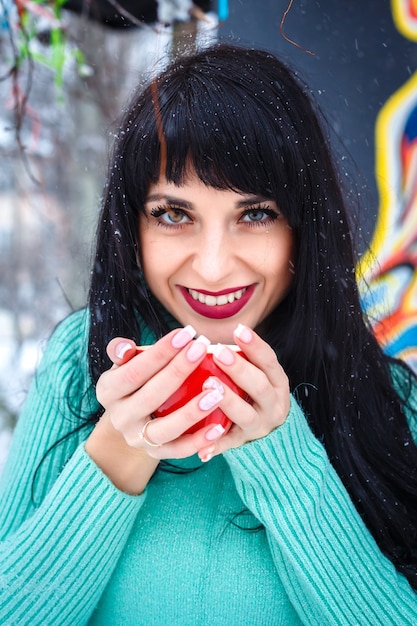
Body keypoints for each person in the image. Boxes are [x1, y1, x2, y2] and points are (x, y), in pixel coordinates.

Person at [0, 43, 416, 626]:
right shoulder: (80, 360)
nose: (214, 267)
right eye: (173, 214)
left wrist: (283, 457)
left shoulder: (388, 398)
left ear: (304, 225)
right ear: (131, 225)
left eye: (256, 213)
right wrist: (120, 446)